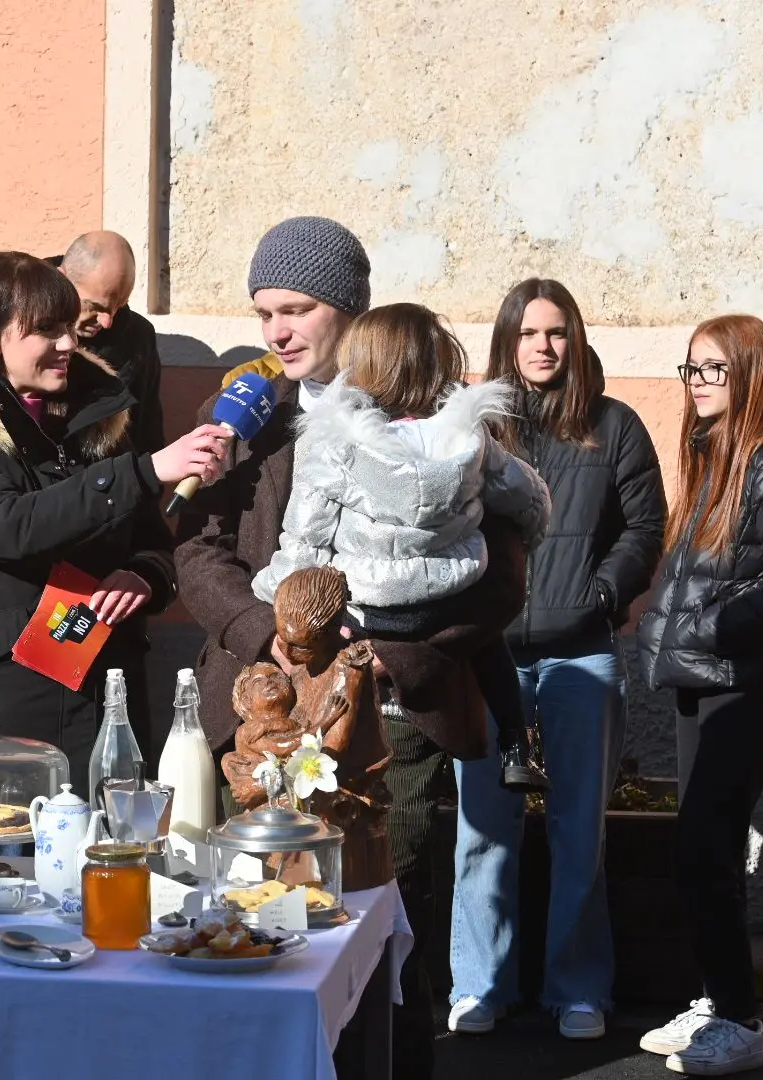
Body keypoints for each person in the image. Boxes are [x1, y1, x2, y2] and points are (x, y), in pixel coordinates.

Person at [174, 217, 529, 1080]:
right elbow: (197, 547)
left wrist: (389, 653)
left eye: (296, 309)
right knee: (255, 925)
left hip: (394, 721)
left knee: (385, 933)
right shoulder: (243, 413)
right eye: (264, 312)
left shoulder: (431, 407)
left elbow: (503, 572)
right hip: (258, 713)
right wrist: (276, 635)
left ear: (350, 309)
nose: (277, 332)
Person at [0, 250, 227, 784]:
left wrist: (144, 574)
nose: (69, 344)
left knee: (104, 858)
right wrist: (144, 472)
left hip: (102, 695)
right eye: (46, 330)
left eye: (69, 328)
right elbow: (5, 526)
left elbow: (148, 537)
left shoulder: (98, 416)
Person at [448, 279, 666, 1042]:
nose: (544, 346)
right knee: (487, 827)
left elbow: (644, 525)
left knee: (580, 829)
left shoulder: (615, 426)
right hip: (493, 665)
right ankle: (480, 986)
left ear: (574, 339)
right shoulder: (477, 429)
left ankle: (578, 990)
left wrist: (603, 594)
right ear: (507, 341)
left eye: (558, 332)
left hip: (581, 657)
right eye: (529, 332)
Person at [251, 301, 551, 792]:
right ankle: (518, 742)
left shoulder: (336, 445)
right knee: (491, 645)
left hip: (366, 612)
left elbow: (306, 543)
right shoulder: (467, 441)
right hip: (441, 604)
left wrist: (269, 592)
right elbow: (525, 493)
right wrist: (533, 527)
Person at [636, 314, 763, 1077]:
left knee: (703, 846)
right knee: (705, 850)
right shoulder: (714, 454)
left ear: (751, 373)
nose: (697, 384)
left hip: (740, 683)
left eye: (714, 370)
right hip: (700, 677)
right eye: (691, 369)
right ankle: (714, 998)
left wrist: (708, 624)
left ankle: (740, 1020)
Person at [51, 230, 165, 453]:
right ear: (62, 279)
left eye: (119, 306)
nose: (107, 321)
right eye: (95, 307)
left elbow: (146, 432)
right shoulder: (15, 316)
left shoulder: (138, 337)